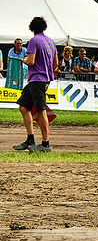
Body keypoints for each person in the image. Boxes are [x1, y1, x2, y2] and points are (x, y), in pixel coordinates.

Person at [13, 17, 58, 152]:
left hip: (37, 79)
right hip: (43, 79)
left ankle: (45, 144)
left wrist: (24, 59)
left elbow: (31, 61)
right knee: (23, 107)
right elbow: (55, 65)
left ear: (32, 28)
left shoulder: (33, 41)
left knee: (40, 110)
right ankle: (30, 139)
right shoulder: (51, 42)